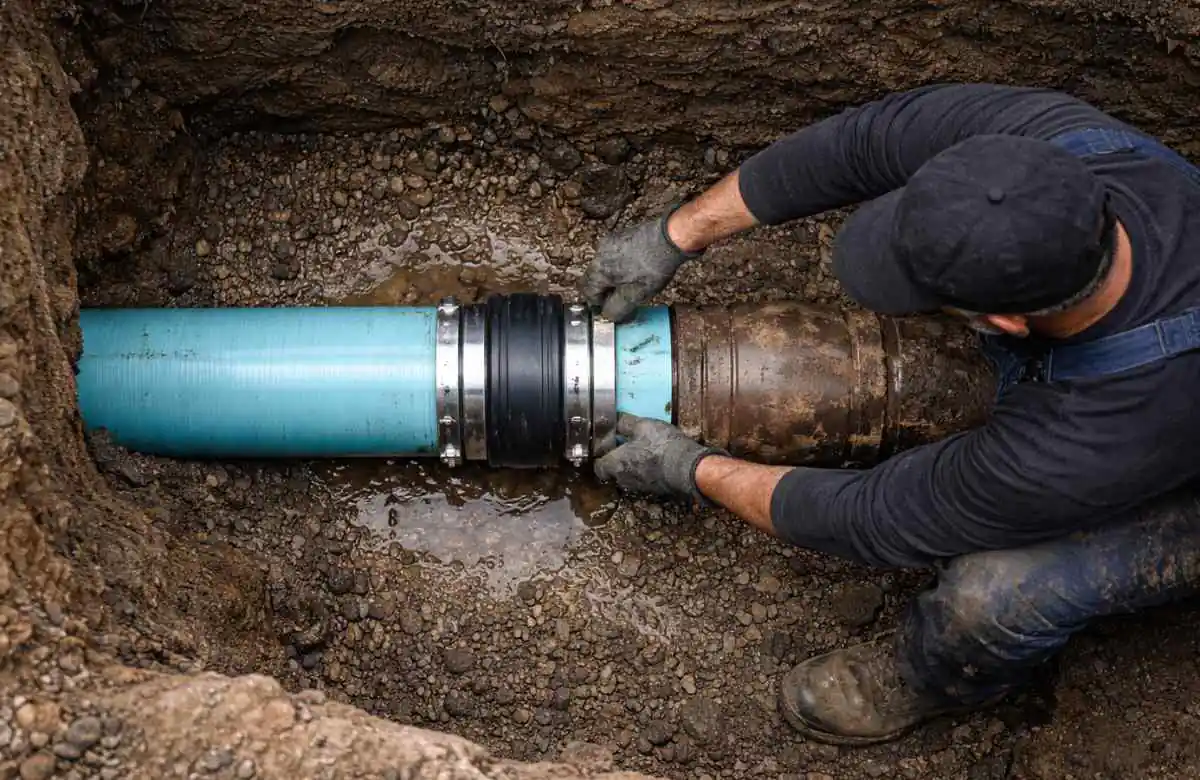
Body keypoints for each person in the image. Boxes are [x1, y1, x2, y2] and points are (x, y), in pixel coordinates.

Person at [580, 83, 1200, 746]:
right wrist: (677, 234)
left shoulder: (1091, 442)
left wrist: (690, 467)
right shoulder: (1049, 153)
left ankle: (929, 679)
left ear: (1007, 320)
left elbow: (873, 517)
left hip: (1175, 450)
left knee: (996, 596)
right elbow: (864, 142)